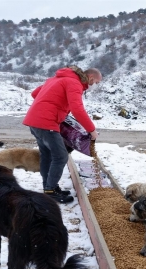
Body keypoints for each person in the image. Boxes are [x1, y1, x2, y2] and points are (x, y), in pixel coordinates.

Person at [23, 66, 101, 203]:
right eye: (97, 83)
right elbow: (77, 109)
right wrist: (91, 130)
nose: (96, 85)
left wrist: (54, 106)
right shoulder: (74, 83)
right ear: (91, 78)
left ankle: (49, 187)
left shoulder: (56, 79)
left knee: (47, 155)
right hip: (47, 123)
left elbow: (35, 93)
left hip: (35, 121)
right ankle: (51, 191)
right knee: (61, 156)